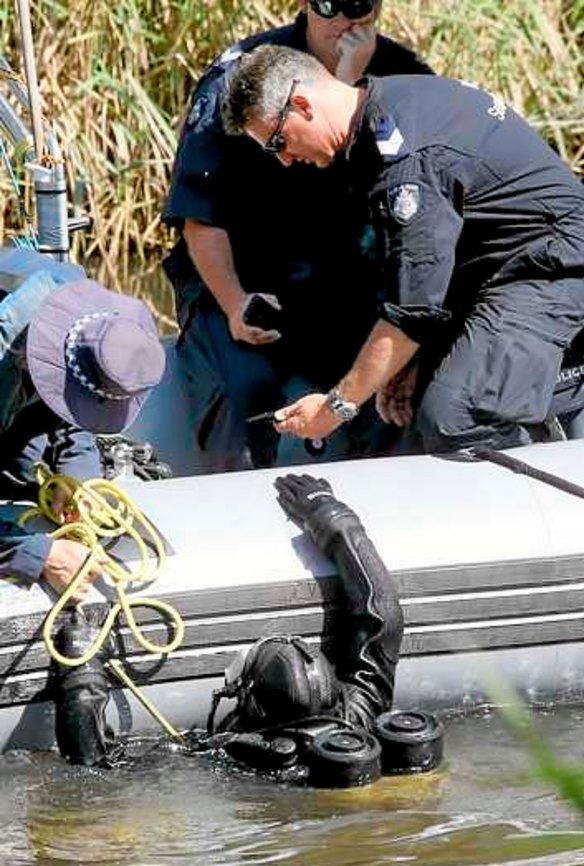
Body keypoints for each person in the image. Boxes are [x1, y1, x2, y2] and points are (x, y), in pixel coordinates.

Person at [221, 45, 584, 454]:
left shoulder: (404, 159)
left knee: (456, 416)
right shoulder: (387, 108)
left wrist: (333, 408)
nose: (285, 160)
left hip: (554, 266)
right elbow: (422, 276)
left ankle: (542, 507)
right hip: (503, 272)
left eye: (277, 142)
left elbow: (413, 310)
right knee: (417, 396)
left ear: (302, 105)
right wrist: (413, 361)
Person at [163, 0, 433, 471]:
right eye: (330, 4)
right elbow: (201, 217)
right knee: (243, 384)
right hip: (244, 286)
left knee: (391, 381)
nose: (346, 20)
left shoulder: (404, 77)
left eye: (360, 4)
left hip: (347, 284)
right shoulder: (242, 78)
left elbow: (424, 224)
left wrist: (347, 88)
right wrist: (233, 304)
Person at [50, 473, 442, 785]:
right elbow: (382, 617)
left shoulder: (232, 753)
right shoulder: (359, 713)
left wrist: (80, 669)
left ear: (249, 698)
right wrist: (333, 519)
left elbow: (95, 772)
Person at [0, 268, 167, 599]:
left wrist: (78, 483)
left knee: (30, 472)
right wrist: (39, 555)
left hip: (18, 396)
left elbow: (76, 418)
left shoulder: (86, 322)